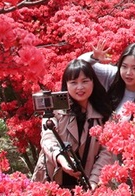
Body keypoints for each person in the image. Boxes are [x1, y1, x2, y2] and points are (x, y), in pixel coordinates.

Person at [36, 60, 115, 189]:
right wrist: (61, 159)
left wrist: (94, 182)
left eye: (85, 81)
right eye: (73, 82)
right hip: (53, 182)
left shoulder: (104, 115)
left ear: (93, 82)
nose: (80, 87)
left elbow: (106, 153)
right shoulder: (53, 110)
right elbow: (48, 139)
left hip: (89, 184)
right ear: (66, 85)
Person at [81, 42, 135, 114]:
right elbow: (79, 66)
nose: (128, 73)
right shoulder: (112, 75)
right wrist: (93, 57)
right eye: (124, 66)